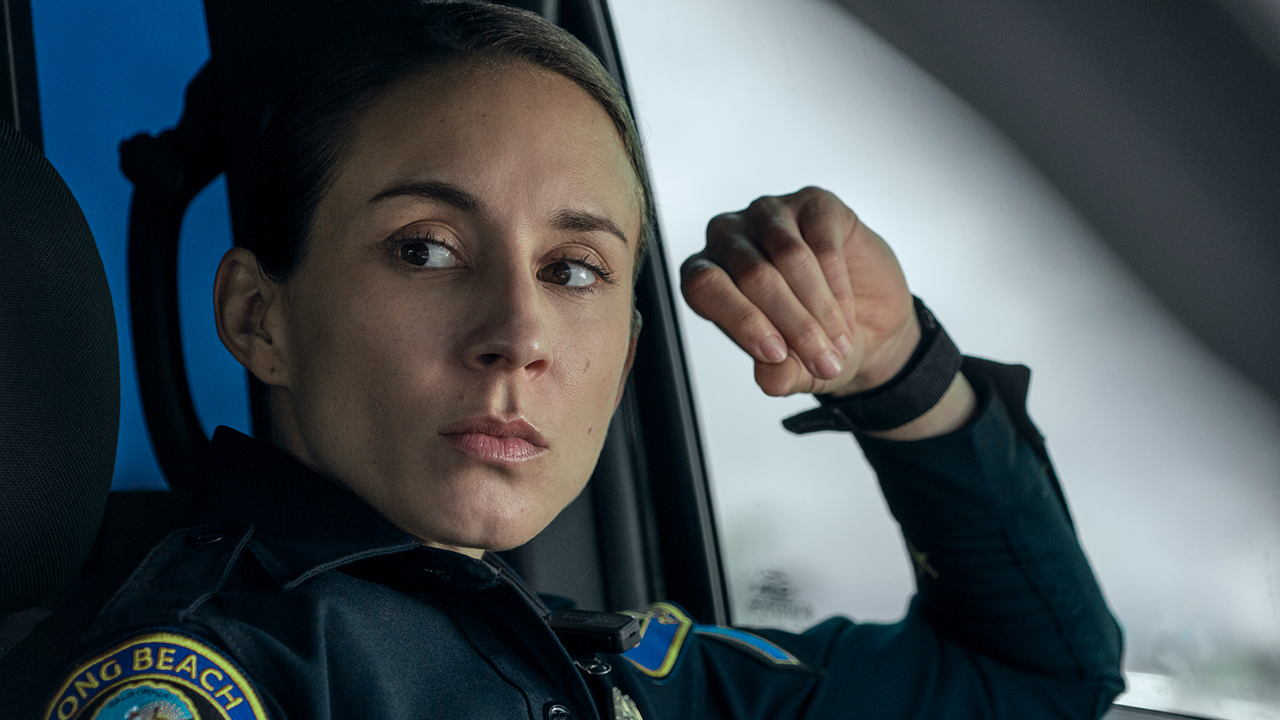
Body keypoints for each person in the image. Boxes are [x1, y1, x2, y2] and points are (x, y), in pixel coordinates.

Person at [11, 3, 1123, 718]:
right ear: (260, 318)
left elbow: (1039, 685)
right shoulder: (214, 679)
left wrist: (895, 374)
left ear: (631, 348)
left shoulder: (623, 665)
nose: (519, 334)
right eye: (427, 249)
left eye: (576, 269)